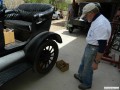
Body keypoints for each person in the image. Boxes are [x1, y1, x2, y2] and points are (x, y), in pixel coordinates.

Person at [74, 3, 111, 90]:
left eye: (86, 15)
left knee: (88, 67)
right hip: (90, 45)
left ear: (91, 13)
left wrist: (96, 62)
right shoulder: (96, 19)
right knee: (83, 62)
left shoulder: (101, 24)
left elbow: (102, 46)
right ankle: (81, 76)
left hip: (94, 48)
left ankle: (87, 83)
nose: (85, 18)